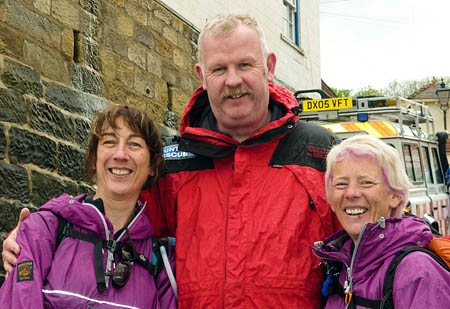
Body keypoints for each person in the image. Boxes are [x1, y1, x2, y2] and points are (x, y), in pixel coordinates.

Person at [3, 13, 339, 308]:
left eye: (245, 65)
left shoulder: (321, 153)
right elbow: (121, 223)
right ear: (201, 75)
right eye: (219, 69)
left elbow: (369, 246)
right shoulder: (175, 162)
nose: (233, 80)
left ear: (270, 66)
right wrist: (38, 236)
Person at [0, 104, 176, 308]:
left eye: (134, 144)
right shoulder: (45, 229)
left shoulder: (162, 262)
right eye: (109, 142)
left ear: (153, 166)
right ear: (94, 158)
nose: (120, 154)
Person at [313, 134, 450, 308]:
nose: (351, 193)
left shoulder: (417, 271)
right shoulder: (342, 262)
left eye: (366, 182)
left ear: (395, 196)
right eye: (341, 184)